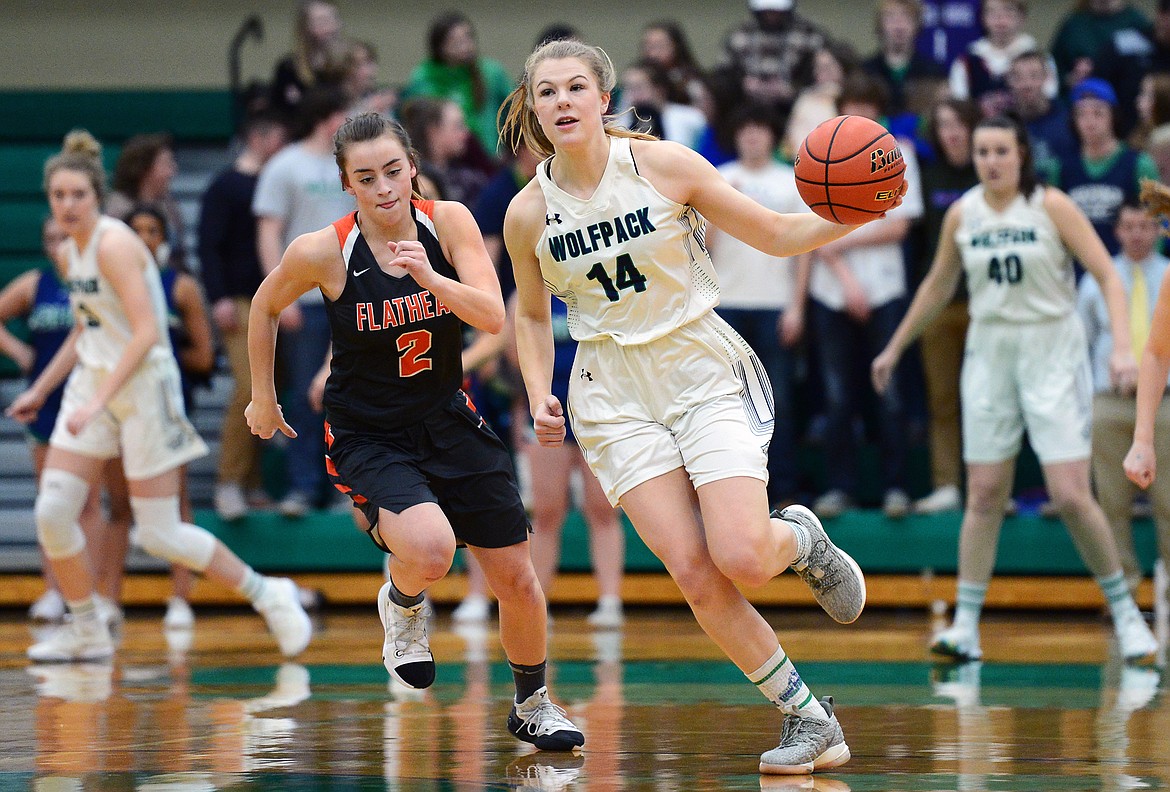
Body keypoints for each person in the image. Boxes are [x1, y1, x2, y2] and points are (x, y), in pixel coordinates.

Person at [500, 37, 876, 775]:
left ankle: (798, 540)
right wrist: (541, 386)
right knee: (695, 573)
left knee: (741, 554)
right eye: (547, 92)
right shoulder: (527, 213)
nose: (562, 102)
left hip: (699, 367)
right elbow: (533, 314)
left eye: (576, 88)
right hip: (611, 396)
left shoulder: (662, 165)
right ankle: (808, 718)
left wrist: (853, 216)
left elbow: (771, 233)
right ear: (534, 109)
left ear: (603, 100)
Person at [245, 112, 584, 751]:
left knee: (516, 575)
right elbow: (264, 306)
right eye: (366, 177)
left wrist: (429, 278)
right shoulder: (323, 249)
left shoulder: (449, 222)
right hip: (367, 433)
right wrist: (264, 397)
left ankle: (534, 703)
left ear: (413, 169)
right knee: (430, 549)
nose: (383, 188)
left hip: (447, 418)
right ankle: (403, 606)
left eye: (393, 172)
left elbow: (490, 317)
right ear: (347, 183)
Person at [6, 130, 312, 662]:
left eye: (77, 195)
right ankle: (85, 627)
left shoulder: (115, 245)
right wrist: (40, 388)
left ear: (97, 197)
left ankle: (270, 593)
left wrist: (98, 402)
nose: (67, 205)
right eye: (58, 196)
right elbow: (87, 331)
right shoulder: (70, 253)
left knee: (161, 533)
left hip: (144, 387)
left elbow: (148, 332)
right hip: (96, 382)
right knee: (53, 510)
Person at [870, 115, 1158, 665]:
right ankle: (967, 625)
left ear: (1021, 153)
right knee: (983, 494)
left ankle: (1127, 614)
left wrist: (1122, 347)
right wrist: (896, 346)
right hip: (991, 351)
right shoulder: (962, 213)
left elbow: (1105, 274)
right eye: (982, 151)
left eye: (1001, 149)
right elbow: (937, 284)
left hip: (1051, 347)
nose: (991, 160)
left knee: (1071, 494)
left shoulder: (1052, 206)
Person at [805, 75, 923, 520]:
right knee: (837, 396)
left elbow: (899, 225)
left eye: (869, 105)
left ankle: (895, 486)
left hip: (886, 288)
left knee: (888, 390)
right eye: (854, 104)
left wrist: (845, 246)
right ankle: (840, 487)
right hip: (831, 291)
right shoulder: (822, 151)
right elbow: (808, 228)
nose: (862, 113)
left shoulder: (900, 153)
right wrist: (842, 274)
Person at [253, 87, 354, 517]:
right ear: (326, 117)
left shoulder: (350, 162)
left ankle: (344, 488)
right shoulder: (286, 165)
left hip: (352, 294)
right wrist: (280, 295)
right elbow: (269, 231)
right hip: (307, 299)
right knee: (304, 396)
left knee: (346, 393)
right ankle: (301, 487)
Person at [709, 103, 807, 509]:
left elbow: (805, 250)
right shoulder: (719, 178)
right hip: (725, 305)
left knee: (779, 398)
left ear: (772, 136)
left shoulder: (789, 181)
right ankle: (735, 495)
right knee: (727, 402)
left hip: (774, 304)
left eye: (760, 129)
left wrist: (796, 306)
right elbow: (701, 246)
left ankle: (782, 488)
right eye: (745, 130)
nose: (752, 137)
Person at [127, 204, 216, 628]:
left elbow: (203, 354)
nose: (145, 237)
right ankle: (105, 601)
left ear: (165, 238)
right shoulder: (111, 283)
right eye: (136, 230)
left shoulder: (179, 287)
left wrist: (155, 348)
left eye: (152, 230)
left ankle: (181, 597)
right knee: (115, 505)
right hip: (119, 400)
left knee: (176, 500)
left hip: (167, 400)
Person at [198, 110, 288, 521]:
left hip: (273, 300)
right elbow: (208, 245)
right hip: (238, 300)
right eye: (277, 138)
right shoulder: (226, 186)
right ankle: (228, 484)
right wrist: (217, 297)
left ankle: (251, 483)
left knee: (268, 390)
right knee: (251, 387)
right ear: (259, 136)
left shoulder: (277, 182)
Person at [1080, 200, 1170, 596]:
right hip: (1109, 399)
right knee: (1111, 505)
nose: (1136, 233)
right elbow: (1080, 344)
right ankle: (1125, 596)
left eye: (1144, 226)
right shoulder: (1096, 279)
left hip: (1165, 402)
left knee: (1168, 505)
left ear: (1158, 230)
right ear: (1116, 231)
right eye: (1128, 226)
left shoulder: (1166, 273)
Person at [912, 98, 981, 515]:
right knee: (943, 399)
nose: (952, 133)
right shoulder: (927, 174)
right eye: (943, 126)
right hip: (939, 305)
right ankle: (947, 485)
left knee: (987, 400)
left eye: (958, 124)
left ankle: (989, 488)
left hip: (986, 306)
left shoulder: (986, 170)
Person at [1057, 78, 1160, 256]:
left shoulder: (1139, 163)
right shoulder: (1060, 167)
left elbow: (1160, 217)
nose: (1090, 122)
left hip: (1129, 268)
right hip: (1078, 268)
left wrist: (1152, 266)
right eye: (1081, 114)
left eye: (1098, 113)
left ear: (1113, 115)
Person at [403, 11, 513, 157]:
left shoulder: (490, 72)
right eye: (454, 40)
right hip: (441, 159)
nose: (464, 45)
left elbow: (515, 111)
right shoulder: (423, 78)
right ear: (440, 46)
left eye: (468, 37)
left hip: (489, 159)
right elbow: (416, 126)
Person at [105, 134, 184, 254]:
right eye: (165, 164)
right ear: (143, 168)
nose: (172, 171)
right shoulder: (118, 209)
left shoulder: (168, 205)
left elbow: (178, 252)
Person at [269, 0, 348, 119]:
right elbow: (282, 114)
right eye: (322, 21)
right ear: (305, 28)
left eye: (334, 19)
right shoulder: (289, 68)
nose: (332, 27)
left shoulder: (348, 63)